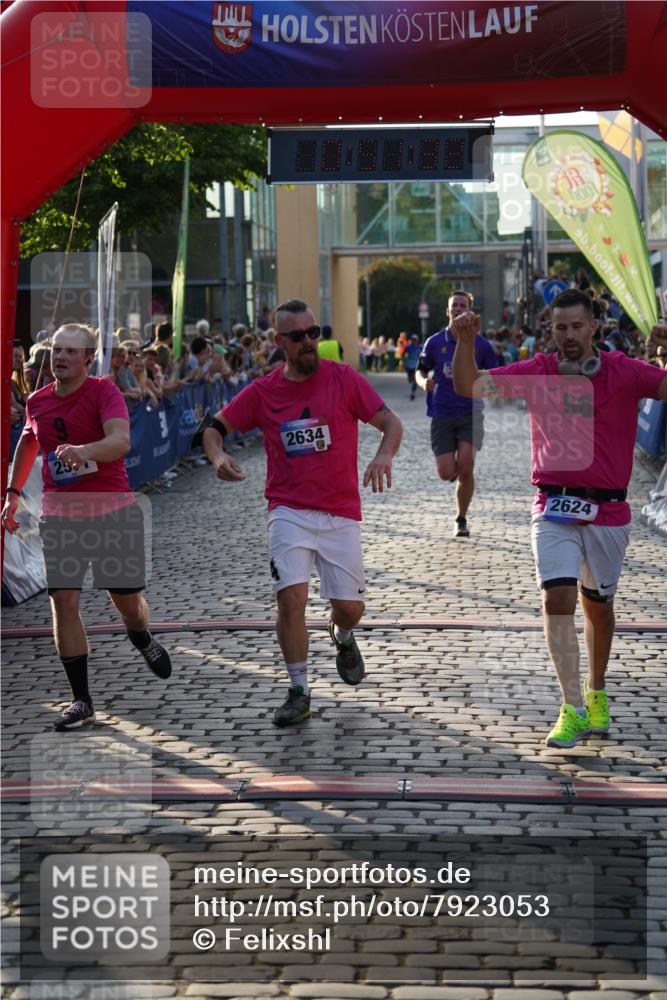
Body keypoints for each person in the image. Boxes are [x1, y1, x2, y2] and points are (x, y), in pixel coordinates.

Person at [452, 289, 667, 749]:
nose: (568, 335)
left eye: (575, 326)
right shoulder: (539, 370)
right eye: (559, 327)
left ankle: (596, 690)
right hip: (552, 506)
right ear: (550, 330)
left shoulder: (626, 372)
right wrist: (464, 342)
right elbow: (469, 384)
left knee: (598, 607)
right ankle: (571, 707)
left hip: (609, 509)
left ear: (594, 327)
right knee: (558, 599)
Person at [202, 298, 403, 727]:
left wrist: (384, 456)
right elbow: (214, 428)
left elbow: (391, 423)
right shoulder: (263, 391)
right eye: (299, 336)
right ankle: (299, 690)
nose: (310, 342)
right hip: (288, 511)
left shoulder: (344, 379)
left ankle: (342, 634)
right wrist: (218, 459)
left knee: (349, 608)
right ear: (280, 342)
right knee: (291, 600)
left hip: (340, 511)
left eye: (315, 333)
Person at [1, 323, 172, 731]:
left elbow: (120, 441)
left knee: (127, 603)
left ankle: (141, 635)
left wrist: (84, 451)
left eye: (70, 351)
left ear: (88, 359)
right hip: (60, 515)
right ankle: (81, 699)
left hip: (111, 510)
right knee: (64, 601)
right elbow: (28, 442)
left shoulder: (104, 392)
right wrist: (11, 492)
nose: (60, 357)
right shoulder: (38, 401)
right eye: (56, 350)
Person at [416, 290, 498, 539]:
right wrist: (423, 383)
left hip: (470, 412)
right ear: (447, 311)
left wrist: (487, 388)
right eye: (455, 305)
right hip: (441, 411)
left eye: (463, 305)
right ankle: (454, 473)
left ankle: (461, 518)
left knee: (466, 466)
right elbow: (420, 371)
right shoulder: (434, 342)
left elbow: (495, 377)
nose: (459, 309)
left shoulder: (482, 345)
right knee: (445, 472)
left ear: (471, 310)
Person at [403, 334, 421, 400]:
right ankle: (413, 383)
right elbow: (403, 355)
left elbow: (423, 355)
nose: (413, 341)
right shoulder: (408, 347)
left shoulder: (420, 347)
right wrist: (403, 362)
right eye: (412, 340)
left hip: (416, 366)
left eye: (415, 340)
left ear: (417, 340)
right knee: (410, 380)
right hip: (409, 366)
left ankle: (413, 393)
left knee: (414, 380)